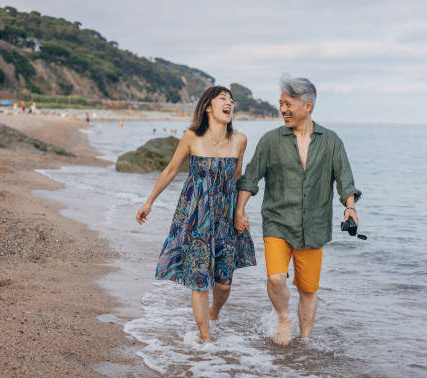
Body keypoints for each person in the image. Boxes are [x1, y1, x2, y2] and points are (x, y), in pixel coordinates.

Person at [234, 75, 361, 346]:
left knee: (307, 289)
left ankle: (304, 343)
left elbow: (345, 180)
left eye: (288, 104)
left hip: (313, 226)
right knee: (276, 278)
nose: (282, 109)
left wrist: (350, 208)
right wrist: (239, 210)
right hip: (277, 221)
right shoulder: (271, 141)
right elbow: (250, 177)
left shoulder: (331, 141)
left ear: (308, 106)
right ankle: (283, 317)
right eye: (280, 103)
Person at [136, 86, 256, 342]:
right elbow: (170, 170)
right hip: (195, 216)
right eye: (222, 99)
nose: (229, 103)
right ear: (208, 107)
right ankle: (206, 338)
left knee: (224, 284)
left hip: (224, 218)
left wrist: (240, 212)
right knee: (199, 280)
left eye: (231, 101)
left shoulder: (240, 140)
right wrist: (149, 202)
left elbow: (237, 179)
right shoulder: (192, 137)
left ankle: (215, 311)